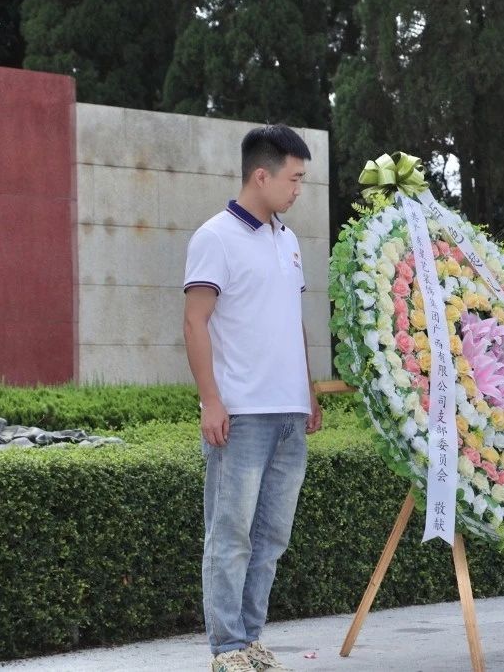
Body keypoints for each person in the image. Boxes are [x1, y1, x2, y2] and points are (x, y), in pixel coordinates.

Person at [183, 124, 323, 672]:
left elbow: (293, 322)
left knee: (271, 537)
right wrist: (211, 401)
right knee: (230, 536)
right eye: (294, 178)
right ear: (261, 175)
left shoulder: (288, 240)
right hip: (241, 415)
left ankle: (250, 640)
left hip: (289, 413)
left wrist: (308, 391)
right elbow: (195, 322)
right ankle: (226, 648)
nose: (298, 189)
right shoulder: (214, 237)